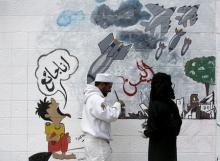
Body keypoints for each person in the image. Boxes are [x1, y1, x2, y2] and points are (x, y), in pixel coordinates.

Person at [81, 73, 125, 161]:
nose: (109, 90)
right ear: (102, 85)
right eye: (109, 87)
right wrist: (118, 105)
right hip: (97, 144)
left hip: (92, 143)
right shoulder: (96, 99)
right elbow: (110, 116)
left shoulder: (91, 98)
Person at [144, 72, 182, 161]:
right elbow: (176, 127)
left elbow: (154, 131)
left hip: (157, 153)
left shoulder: (155, 105)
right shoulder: (172, 105)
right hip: (170, 152)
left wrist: (145, 132)